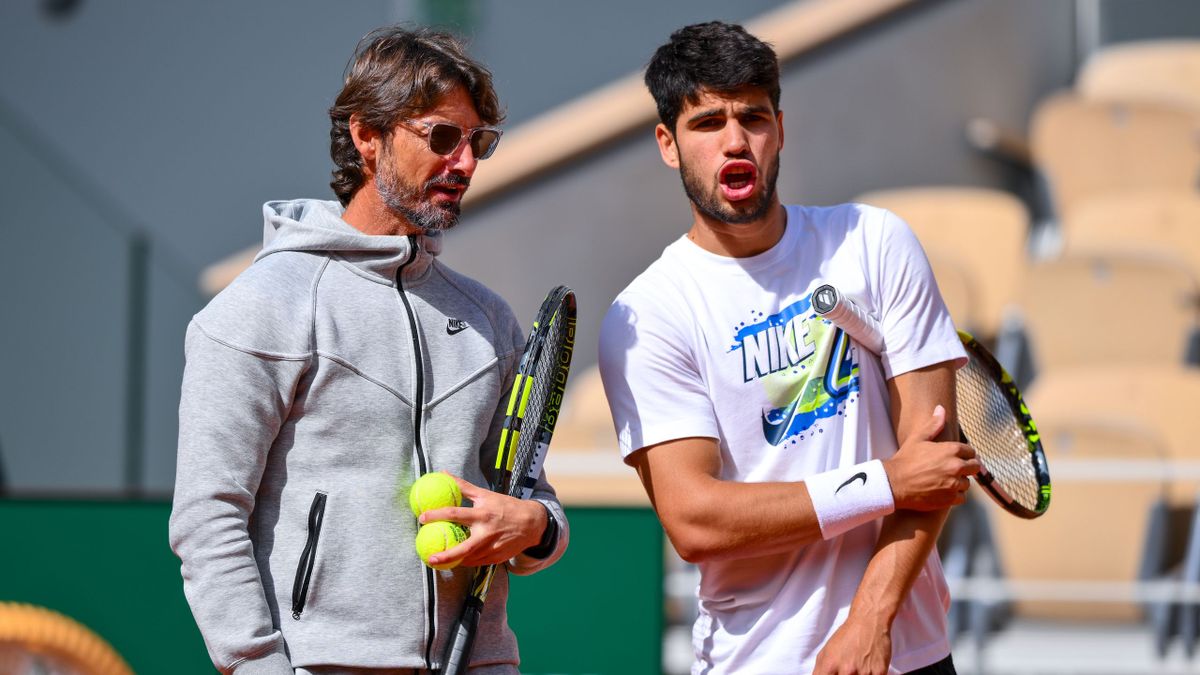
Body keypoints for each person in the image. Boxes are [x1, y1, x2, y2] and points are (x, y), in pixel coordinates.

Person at [169, 26, 567, 675]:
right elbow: (207, 521)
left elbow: (536, 503)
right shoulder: (262, 307)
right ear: (367, 135)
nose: (464, 163)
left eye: (478, 143)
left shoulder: (488, 318)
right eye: (442, 136)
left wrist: (534, 527)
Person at [598, 22, 979, 675]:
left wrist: (870, 620)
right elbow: (697, 520)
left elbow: (934, 462)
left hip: (905, 650)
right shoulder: (651, 312)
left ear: (781, 127)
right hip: (755, 659)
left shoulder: (875, 242)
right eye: (708, 122)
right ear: (668, 143)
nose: (734, 140)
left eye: (752, 116)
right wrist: (884, 480)